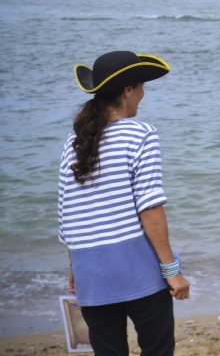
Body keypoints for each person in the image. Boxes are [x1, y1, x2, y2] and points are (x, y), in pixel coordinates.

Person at [58, 51, 190, 356]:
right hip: (137, 269)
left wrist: (75, 267)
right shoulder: (141, 134)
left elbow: (67, 213)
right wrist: (171, 269)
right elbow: (150, 207)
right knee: (157, 350)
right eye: (142, 86)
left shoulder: (73, 142)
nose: (143, 94)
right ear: (128, 90)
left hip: (91, 273)